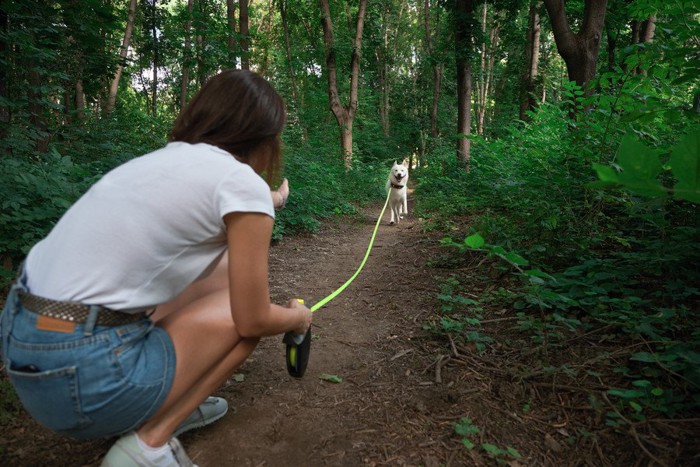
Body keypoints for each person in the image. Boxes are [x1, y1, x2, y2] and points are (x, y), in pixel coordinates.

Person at [0, 69, 312, 466]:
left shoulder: (162, 162)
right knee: (245, 320)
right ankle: (149, 445)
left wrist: (272, 199)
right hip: (84, 379)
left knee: (223, 271)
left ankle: (164, 396)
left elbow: (229, 194)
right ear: (266, 139)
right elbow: (252, 319)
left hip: (23, 346)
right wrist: (297, 318)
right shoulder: (240, 185)